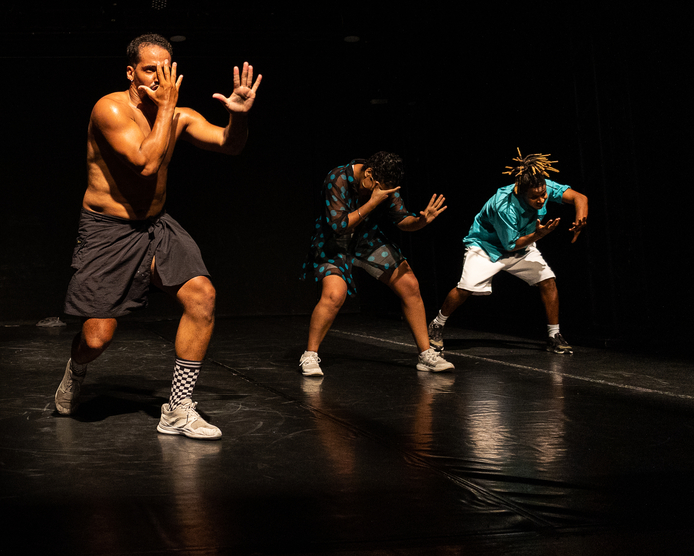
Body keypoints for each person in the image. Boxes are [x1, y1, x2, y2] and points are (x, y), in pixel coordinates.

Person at [52, 33, 261, 440]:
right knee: (97, 337)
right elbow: (146, 164)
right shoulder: (109, 109)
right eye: (150, 70)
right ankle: (76, 370)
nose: (159, 79)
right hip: (107, 231)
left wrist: (238, 115)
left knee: (202, 295)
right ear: (131, 72)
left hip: (155, 225)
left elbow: (228, 144)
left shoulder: (177, 114)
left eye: (166, 70)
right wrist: (167, 107)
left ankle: (178, 409)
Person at [299, 153, 454, 376]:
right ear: (369, 174)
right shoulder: (337, 178)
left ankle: (426, 354)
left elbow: (402, 220)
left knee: (409, 284)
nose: (384, 193)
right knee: (334, 295)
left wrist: (420, 221)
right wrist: (372, 202)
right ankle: (310, 355)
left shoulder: (385, 184)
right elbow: (338, 227)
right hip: (333, 243)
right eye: (379, 188)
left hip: (366, 240)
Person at [428, 150, 588, 354]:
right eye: (535, 197)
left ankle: (553, 335)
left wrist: (580, 219)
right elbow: (511, 245)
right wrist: (539, 235)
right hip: (487, 248)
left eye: (544, 195)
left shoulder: (541, 185)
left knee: (548, 280)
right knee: (466, 288)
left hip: (522, 242)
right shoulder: (503, 205)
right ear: (521, 192)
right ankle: (437, 324)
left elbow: (579, 198)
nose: (541, 200)